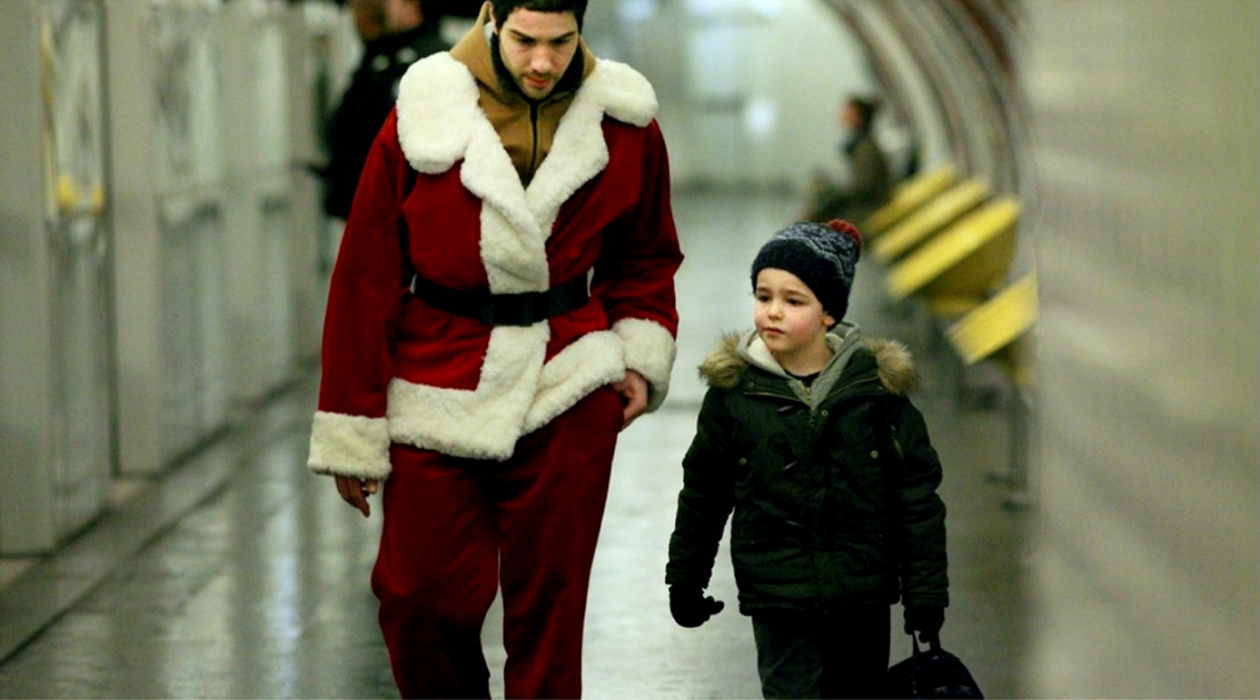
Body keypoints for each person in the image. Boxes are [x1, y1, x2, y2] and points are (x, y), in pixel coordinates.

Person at [306, 0, 684, 697]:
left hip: (569, 374)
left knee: (552, 606)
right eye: (525, 41)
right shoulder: (425, 109)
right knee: (418, 597)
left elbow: (645, 253)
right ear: (492, 21)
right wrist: (352, 424)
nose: (543, 62)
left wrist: (638, 352)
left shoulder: (624, 119)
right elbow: (366, 273)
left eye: (561, 43)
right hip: (437, 372)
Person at [665, 219, 948, 699]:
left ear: (828, 314)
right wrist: (686, 579)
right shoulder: (735, 395)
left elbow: (916, 498)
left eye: (793, 301)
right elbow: (704, 493)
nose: (772, 312)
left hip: (861, 595)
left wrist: (926, 593)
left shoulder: (875, 393)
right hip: (778, 595)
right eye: (763, 296)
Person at [319, 0, 450, 219]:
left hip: (408, 214)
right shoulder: (375, 62)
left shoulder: (434, 60)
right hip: (370, 212)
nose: (357, 19)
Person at [803, 96, 891, 224]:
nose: (842, 113)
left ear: (858, 116)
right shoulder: (862, 143)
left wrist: (834, 197)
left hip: (869, 207)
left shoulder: (865, 147)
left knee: (818, 212)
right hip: (867, 202)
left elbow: (863, 187)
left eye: (848, 110)